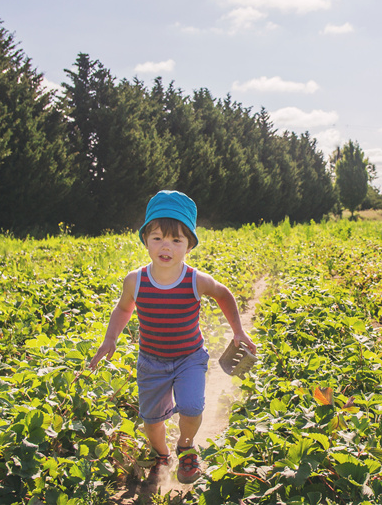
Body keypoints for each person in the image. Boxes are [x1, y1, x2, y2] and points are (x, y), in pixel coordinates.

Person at [88, 190, 256, 489]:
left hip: (190, 357)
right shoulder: (135, 280)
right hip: (151, 362)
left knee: (192, 407)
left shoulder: (195, 280)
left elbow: (223, 294)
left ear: (189, 245)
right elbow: (123, 309)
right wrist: (110, 338)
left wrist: (238, 331)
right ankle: (163, 455)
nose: (166, 246)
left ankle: (187, 448)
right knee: (152, 422)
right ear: (145, 241)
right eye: (157, 238)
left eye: (176, 240)